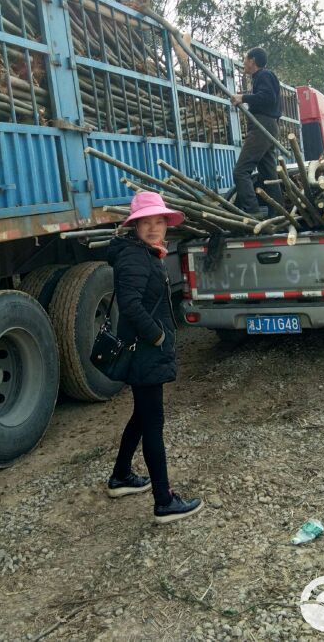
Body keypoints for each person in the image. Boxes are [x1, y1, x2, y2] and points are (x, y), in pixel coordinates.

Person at [106, 191, 204, 524]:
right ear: (135, 227)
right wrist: (158, 335)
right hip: (145, 352)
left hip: (145, 352)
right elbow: (130, 304)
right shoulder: (136, 257)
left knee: (142, 415)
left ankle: (120, 477)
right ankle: (164, 501)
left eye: (158, 221)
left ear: (165, 224)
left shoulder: (147, 254)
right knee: (153, 424)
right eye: (145, 222)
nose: (152, 228)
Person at [231, 47, 283, 215]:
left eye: (245, 59)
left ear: (252, 60)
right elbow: (266, 97)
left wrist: (243, 98)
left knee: (241, 171)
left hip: (263, 126)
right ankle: (279, 213)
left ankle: (251, 212)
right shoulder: (261, 78)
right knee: (269, 176)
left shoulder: (264, 75)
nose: (244, 62)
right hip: (268, 126)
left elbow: (268, 98)